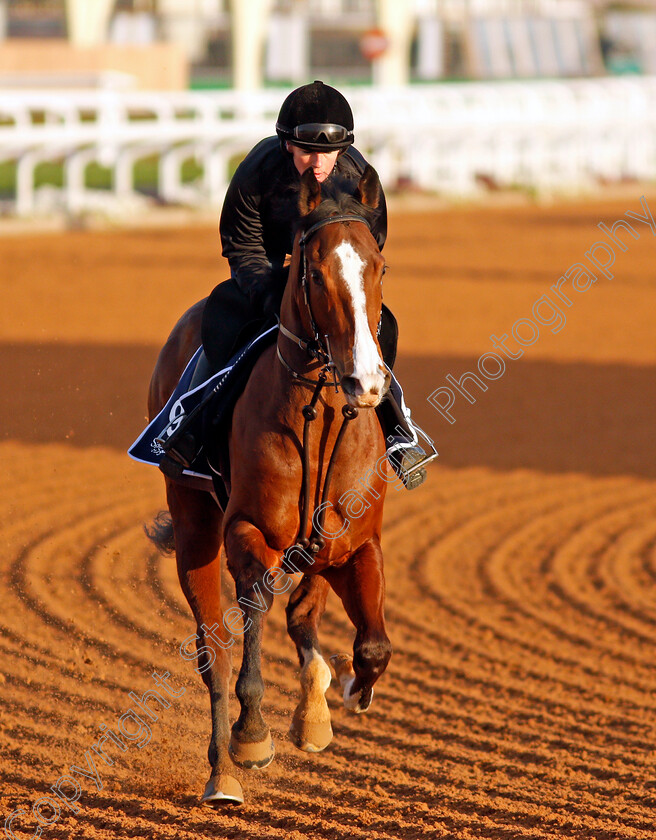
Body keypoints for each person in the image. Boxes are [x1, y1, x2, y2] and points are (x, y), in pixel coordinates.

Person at [162, 80, 433, 490]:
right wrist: (273, 291)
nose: (319, 162)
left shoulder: (358, 176)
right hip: (266, 266)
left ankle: (396, 429)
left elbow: (368, 249)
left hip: (326, 272)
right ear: (287, 144)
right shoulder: (257, 171)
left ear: (344, 148)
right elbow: (240, 242)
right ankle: (195, 427)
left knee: (382, 325)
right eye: (307, 150)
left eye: (329, 152)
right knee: (222, 316)